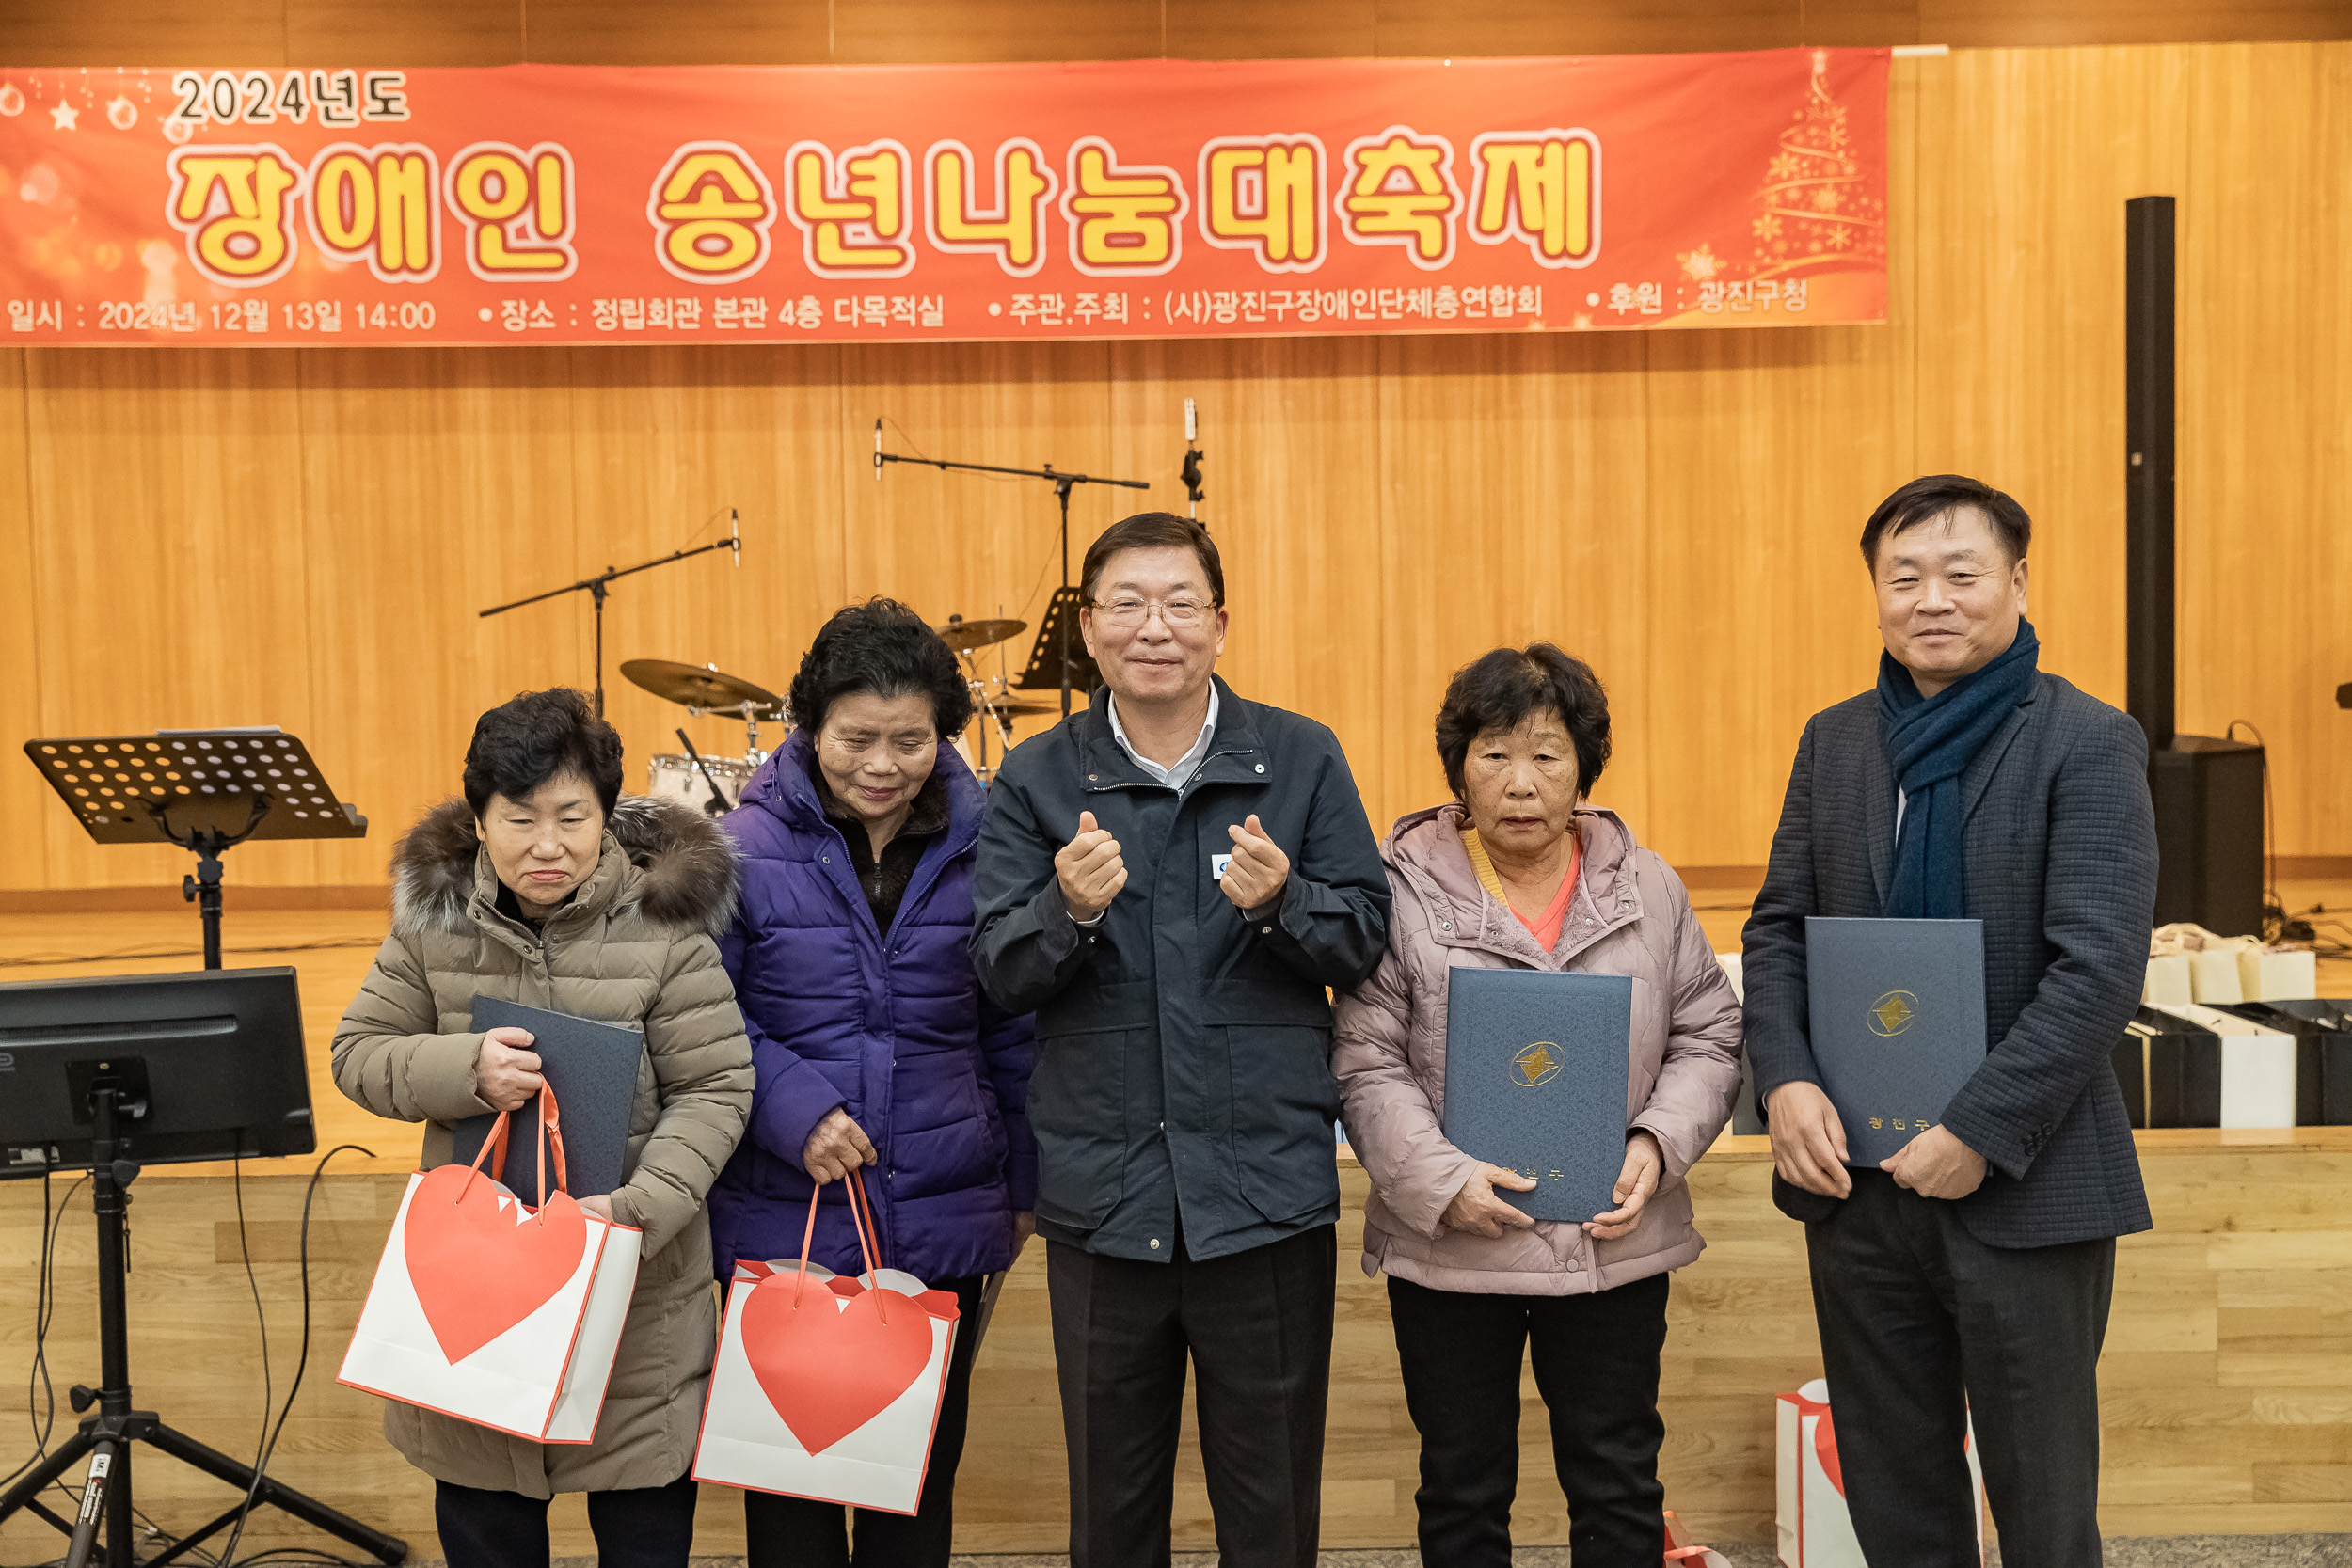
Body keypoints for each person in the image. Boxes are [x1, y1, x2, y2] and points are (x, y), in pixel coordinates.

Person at [1741, 475, 2158, 1567]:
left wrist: (1975, 1127)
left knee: (2041, 1494)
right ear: (1875, 592)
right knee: (1893, 1481)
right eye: (1904, 575)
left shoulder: (2087, 739)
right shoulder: (1837, 740)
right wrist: (1784, 1080)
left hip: (2023, 1177)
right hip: (1857, 1180)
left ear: (2017, 582)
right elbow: (1778, 926)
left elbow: (2098, 967)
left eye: (1961, 573)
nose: (1932, 598)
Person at [970, 511, 1391, 1568]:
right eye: (1126, 602)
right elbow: (997, 968)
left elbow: (1366, 935)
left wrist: (1285, 901)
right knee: (1111, 1513)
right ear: (1091, 627)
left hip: (1262, 1194)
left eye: (1179, 603)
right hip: (1106, 1197)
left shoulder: (1298, 756)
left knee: (1270, 1504)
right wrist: (1061, 911)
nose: (1153, 626)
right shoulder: (1033, 776)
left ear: (1219, 622)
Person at [1332, 645, 1741, 1568]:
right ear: (1459, 766)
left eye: (1547, 754)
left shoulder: (1651, 887)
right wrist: (1441, 1182)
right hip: (1451, 1248)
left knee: (1618, 1477)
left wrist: (1654, 1143)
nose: (1520, 783)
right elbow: (1364, 1060)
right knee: (1462, 1482)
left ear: (1583, 767)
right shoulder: (1395, 891)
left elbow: (1709, 1034)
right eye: (1494, 753)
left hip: (1612, 1239)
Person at [334, 687, 753, 1568]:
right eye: (520, 819)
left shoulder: (666, 927)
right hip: (477, 1290)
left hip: (634, 1290)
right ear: (479, 821)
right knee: (489, 1536)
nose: (549, 845)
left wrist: (634, 1214)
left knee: (642, 1538)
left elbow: (717, 1087)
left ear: (608, 814)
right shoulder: (432, 922)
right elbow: (357, 1053)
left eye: (574, 816)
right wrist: (464, 1069)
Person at [705, 598, 1037, 1568]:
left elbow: (1012, 1029)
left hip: (942, 1206)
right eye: (856, 738)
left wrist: (1020, 1186)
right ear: (809, 728)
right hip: (785, 1206)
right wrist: (793, 1109)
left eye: (910, 739)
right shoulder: (738, 849)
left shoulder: (988, 846)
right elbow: (701, 1021)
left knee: (913, 1495)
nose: (882, 764)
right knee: (793, 1502)